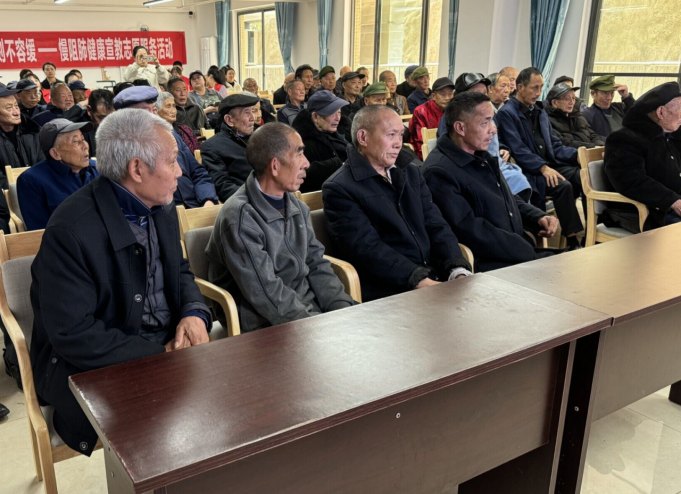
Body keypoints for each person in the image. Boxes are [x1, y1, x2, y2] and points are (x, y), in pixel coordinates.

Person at [29, 108, 212, 456]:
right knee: (168, 439)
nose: (180, 171)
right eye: (172, 161)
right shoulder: (70, 230)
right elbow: (73, 334)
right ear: (137, 169)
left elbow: (178, 270)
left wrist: (193, 312)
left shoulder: (160, 203)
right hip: (110, 360)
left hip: (168, 344)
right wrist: (159, 355)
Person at [206, 122, 355, 333]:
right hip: (263, 321)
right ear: (275, 166)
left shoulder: (296, 206)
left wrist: (343, 310)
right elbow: (265, 293)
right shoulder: (239, 217)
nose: (307, 163)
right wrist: (315, 327)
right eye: (299, 154)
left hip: (306, 310)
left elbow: (315, 263)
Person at [323, 105, 472, 302]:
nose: (398, 143)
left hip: (432, 276)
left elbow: (435, 223)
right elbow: (367, 249)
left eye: (401, 135)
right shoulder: (339, 187)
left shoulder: (410, 172)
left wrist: (456, 269)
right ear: (363, 138)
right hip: (389, 289)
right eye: (391, 135)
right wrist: (420, 280)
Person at [422, 91, 559, 271]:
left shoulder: (480, 156)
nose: (493, 129)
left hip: (514, 252)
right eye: (485, 122)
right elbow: (469, 230)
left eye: (492, 121)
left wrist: (536, 216)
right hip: (488, 264)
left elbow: (505, 197)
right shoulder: (439, 172)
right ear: (460, 128)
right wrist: (522, 248)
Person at [496, 67, 583, 249]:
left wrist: (578, 156)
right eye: (534, 88)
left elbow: (554, 144)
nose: (538, 92)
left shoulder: (540, 111)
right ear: (520, 87)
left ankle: (589, 231)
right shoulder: (507, 113)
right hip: (528, 169)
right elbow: (518, 149)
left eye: (541, 87)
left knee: (580, 175)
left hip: (549, 163)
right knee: (563, 186)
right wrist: (542, 168)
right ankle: (571, 238)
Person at [114, 86, 218, 210]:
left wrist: (207, 199)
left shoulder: (172, 137)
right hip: (164, 212)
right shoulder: (124, 150)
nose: (153, 116)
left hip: (196, 205)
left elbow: (198, 172)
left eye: (154, 110)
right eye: (145, 112)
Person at [437, 72, 532, 200]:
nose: (482, 98)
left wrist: (502, 148)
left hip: (494, 163)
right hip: (475, 168)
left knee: (520, 181)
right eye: (476, 94)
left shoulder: (487, 114)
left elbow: (495, 139)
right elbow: (452, 147)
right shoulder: (451, 119)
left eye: (484, 93)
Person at [604, 82, 681, 232]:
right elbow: (631, 181)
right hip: (640, 211)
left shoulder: (666, 136)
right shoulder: (623, 139)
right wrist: (672, 201)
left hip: (666, 206)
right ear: (661, 112)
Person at [17, 119, 98, 230]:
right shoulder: (32, 180)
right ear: (56, 153)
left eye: (83, 139)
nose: (85, 146)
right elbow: (39, 230)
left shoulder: (99, 169)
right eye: (76, 142)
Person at [202, 93, 259, 201]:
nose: (253, 118)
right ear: (229, 120)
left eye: (252, 111)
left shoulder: (261, 138)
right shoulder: (212, 147)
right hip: (245, 203)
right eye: (247, 113)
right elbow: (224, 187)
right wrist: (258, 196)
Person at [292, 90, 350, 193]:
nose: (337, 118)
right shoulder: (301, 142)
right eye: (332, 113)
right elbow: (303, 173)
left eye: (339, 112)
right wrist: (337, 165)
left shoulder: (340, 131)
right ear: (315, 116)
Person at [0, 83, 44, 178]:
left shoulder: (33, 131)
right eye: (9, 108)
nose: (16, 112)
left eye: (16, 106)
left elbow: (44, 165)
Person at [546, 83, 605, 149]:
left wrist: (600, 146)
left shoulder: (578, 117)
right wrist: (591, 147)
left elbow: (593, 135)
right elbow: (564, 142)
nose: (571, 102)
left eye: (573, 98)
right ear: (554, 103)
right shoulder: (547, 121)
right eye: (566, 98)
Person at [409, 77, 454, 159]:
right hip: (427, 155)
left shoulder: (455, 110)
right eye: (443, 94)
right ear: (433, 96)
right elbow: (419, 143)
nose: (447, 98)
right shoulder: (421, 112)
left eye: (450, 94)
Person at [80, 89, 115, 158]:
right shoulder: (79, 128)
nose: (107, 122)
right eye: (102, 117)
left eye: (111, 117)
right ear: (89, 110)